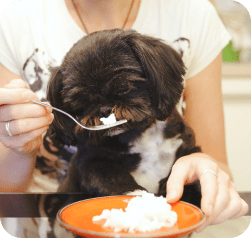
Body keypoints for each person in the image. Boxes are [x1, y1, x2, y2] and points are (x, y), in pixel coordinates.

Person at [0, 0, 248, 235]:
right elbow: (5, 191)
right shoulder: (16, 18)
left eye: (124, 89)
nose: (106, 113)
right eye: (87, 105)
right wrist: (21, 145)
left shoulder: (193, 12)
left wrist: (209, 177)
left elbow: (215, 165)